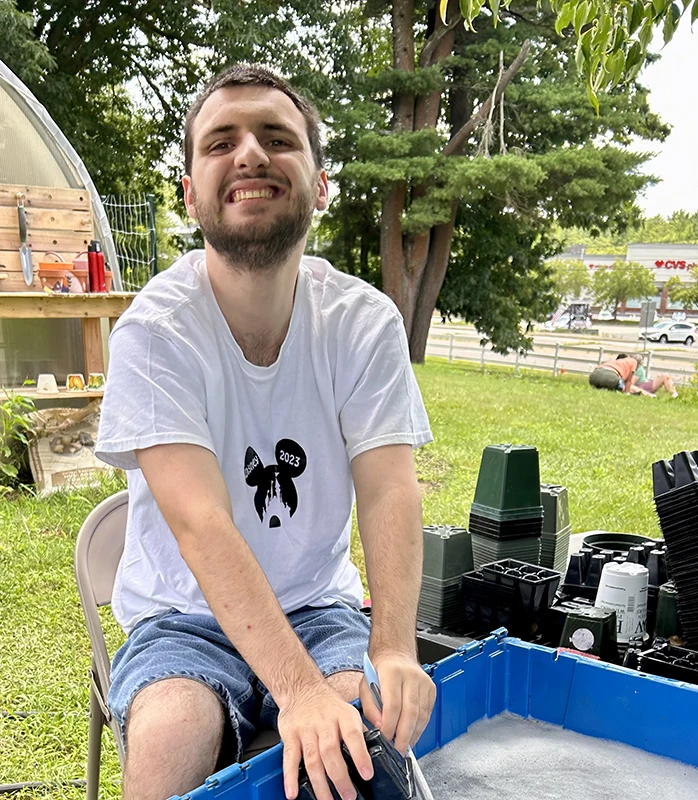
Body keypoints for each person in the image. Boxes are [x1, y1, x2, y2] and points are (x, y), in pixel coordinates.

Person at [95, 64, 435, 800]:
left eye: (277, 138)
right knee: (168, 738)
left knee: (362, 743)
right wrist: (295, 689)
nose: (249, 153)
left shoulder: (364, 322)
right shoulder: (155, 332)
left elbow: (388, 491)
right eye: (221, 142)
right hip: (182, 617)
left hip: (317, 604)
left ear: (320, 184)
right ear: (190, 192)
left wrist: (395, 646)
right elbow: (200, 522)